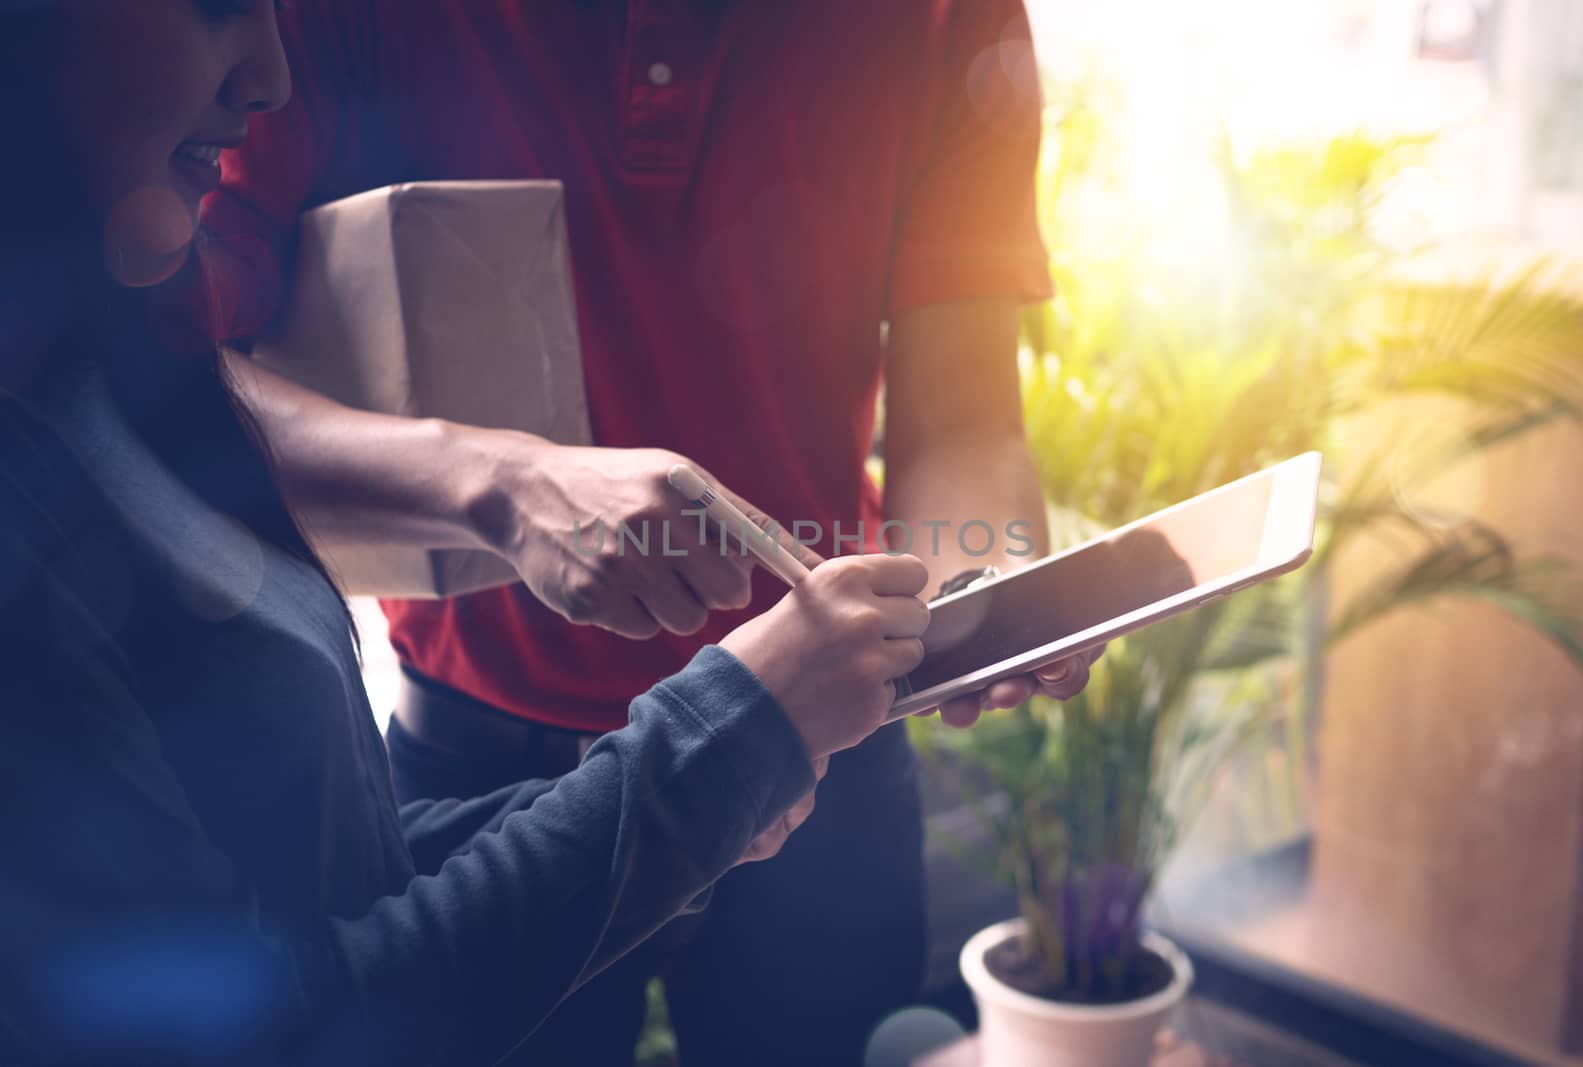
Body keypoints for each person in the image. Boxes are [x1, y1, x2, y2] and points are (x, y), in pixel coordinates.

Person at [0, 2, 936, 1063]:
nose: (270, 73)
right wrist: (709, 750)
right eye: (220, 6)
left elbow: (331, 878)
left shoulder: (71, 383)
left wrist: (688, 784)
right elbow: (303, 1021)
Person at [193, 2, 1101, 1062]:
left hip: (828, 758)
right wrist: (495, 480)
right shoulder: (310, 21)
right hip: (481, 778)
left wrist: (973, 587)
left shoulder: (947, 17)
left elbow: (968, 417)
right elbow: (164, 393)